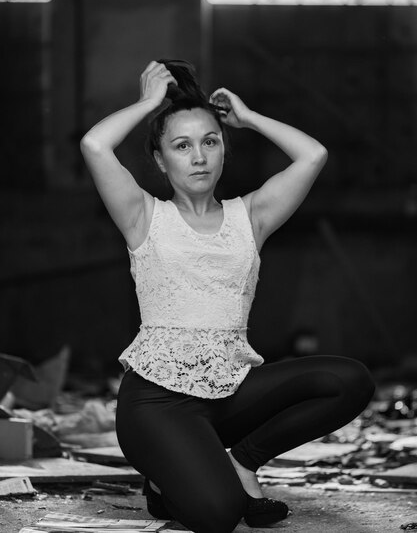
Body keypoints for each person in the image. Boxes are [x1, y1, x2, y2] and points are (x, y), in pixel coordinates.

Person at [80, 59, 375, 533]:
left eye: (209, 141)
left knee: (348, 380)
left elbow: (313, 155)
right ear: (160, 159)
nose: (198, 157)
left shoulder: (251, 216)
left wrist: (250, 117)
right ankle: (161, 480)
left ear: (223, 150)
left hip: (228, 392)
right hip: (157, 404)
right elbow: (95, 144)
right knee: (217, 517)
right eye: (181, 146)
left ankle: (242, 463)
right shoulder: (142, 215)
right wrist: (148, 104)